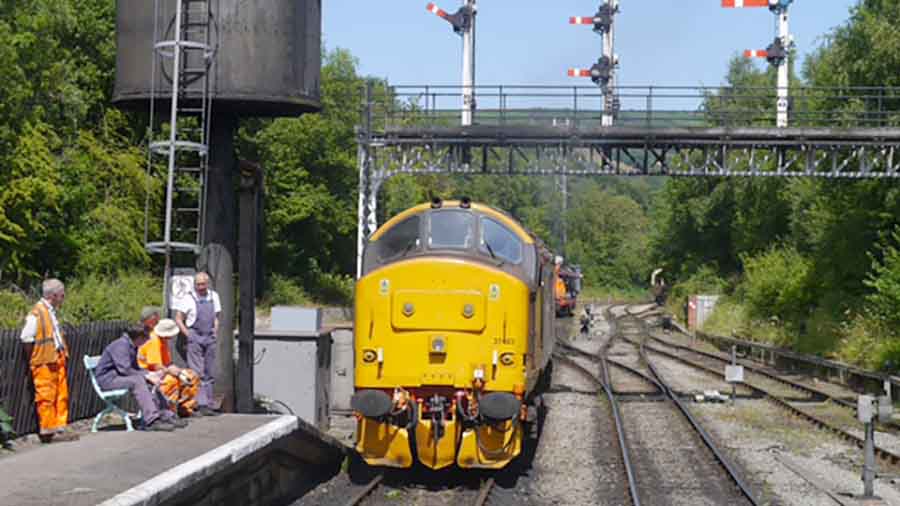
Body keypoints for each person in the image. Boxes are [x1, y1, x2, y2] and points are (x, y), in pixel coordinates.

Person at [94, 325, 186, 431]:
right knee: (137, 381)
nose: (148, 339)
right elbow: (125, 369)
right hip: (108, 380)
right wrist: (146, 376)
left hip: (119, 377)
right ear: (139, 338)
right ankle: (151, 420)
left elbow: (135, 368)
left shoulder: (132, 345)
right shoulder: (120, 346)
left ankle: (166, 415)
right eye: (146, 337)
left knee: (149, 380)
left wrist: (151, 374)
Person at [20, 279, 79, 443]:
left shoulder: (50, 311)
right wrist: (33, 357)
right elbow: (26, 337)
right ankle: (48, 431)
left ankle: (60, 427)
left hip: (56, 357)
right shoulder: (36, 313)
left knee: (61, 395)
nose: (63, 297)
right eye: (62, 295)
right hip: (44, 361)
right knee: (46, 396)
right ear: (53, 295)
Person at [136, 308, 200, 417]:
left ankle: (185, 407)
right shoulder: (154, 340)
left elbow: (167, 362)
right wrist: (173, 372)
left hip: (161, 370)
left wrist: (179, 371)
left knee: (192, 376)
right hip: (149, 373)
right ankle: (168, 412)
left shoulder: (163, 341)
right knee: (171, 381)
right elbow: (157, 366)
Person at [174, 272, 221, 416]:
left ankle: (209, 403)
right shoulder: (188, 298)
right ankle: (199, 404)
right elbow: (178, 318)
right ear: (194, 284)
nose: (200, 287)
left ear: (207, 284)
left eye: (203, 284)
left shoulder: (214, 296)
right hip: (195, 337)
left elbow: (216, 317)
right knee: (197, 372)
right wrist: (188, 335)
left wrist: (215, 331)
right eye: (198, 284)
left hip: (209, 337)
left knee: (209, 372)